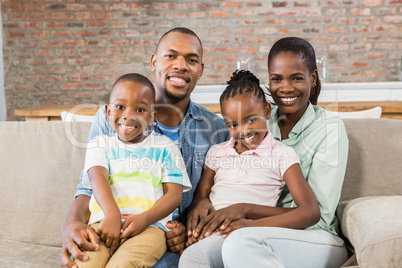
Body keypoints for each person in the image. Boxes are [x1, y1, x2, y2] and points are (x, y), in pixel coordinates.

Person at [61, 28, 230, 268]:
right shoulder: (109, 118)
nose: (181, 65)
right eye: (170, 56)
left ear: (200, 69)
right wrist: (71, 225)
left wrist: (184, 229)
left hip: (160, 237)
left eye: (191, 60)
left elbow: (212, 194)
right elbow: (88, 185)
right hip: (109, 226)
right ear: (154, 61)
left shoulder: (216, 129)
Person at [219, 37, 350, 267]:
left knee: (239, 243)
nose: (286, 88)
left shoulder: (329, 127)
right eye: (276, 79)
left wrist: (248, 217)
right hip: (256, 233)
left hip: (316, 238)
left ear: (313, 77)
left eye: (297, 78)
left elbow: (318, 217)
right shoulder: (258, 123)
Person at [178, 70, 320, 268]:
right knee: (192, 256)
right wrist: (200, 206)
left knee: (194, 258)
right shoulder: (217, 152)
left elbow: (310, 212)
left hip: (249, 234)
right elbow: (201, 197)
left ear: (268, 112)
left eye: (251, 119)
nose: (243, 131)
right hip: (214, 235)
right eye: (233, 124)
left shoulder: (281, 154)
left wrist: (248, 217)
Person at [75, 73, 192, 267]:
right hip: (103, 224)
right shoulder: (100, 144)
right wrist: (112, 214)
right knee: (85, 263)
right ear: (107, 111)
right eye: (120, 107)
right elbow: (98, 178)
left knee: (123, 264)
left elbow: (174, 195)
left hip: (149, 228)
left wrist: (144, 219)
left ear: (152, 117)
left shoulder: (165, 147)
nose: (129, 115)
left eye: (140, 109)